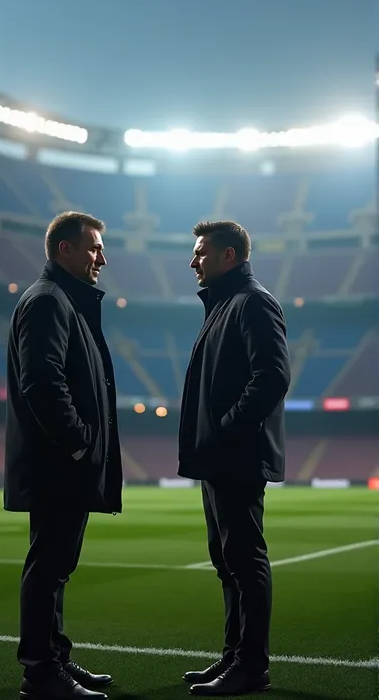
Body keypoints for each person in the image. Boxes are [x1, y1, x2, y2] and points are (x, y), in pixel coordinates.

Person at [4, 211, 123, 700]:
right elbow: (43, 383)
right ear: (63, 249)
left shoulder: (62, 302)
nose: (102, 258)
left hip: (60, 464)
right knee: (48, 567)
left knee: (55, 567)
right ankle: (41, 672)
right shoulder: (49, 302)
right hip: (57, 464)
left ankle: (55, 660)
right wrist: (79, 444)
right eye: (94, 247)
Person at [178, 220, 291, 697]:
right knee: (227, 561)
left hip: (236, 457)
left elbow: (272, 376)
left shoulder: (252, 302)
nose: (193, 260)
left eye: (201, 252)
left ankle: (251, 667)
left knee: (245, 561)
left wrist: (226, 432)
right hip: (220, 458)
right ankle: (234, 656)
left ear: (230, 256)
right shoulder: (226, 304)